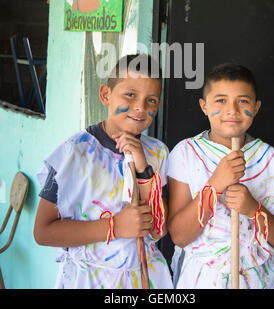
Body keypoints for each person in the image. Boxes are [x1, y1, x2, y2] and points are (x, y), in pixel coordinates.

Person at [34, 54, 173, 289]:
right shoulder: (74, 154)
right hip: (87, 279)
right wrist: (115, 227)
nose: (140, 107)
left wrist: (142, 168)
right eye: (130, 95)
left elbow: (160, 228)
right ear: (106, 95)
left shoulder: (157, 153)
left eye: (151, 100)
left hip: (143, 278)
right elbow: (43, 231)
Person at [167, 63, 274, 289]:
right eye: (221, 100)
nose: (232, 110)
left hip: (262, 278)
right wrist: (215, 185)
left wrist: (253, 210)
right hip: (203, 279)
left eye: (243, 101)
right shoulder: (186, 153)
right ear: (204, 106)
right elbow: (179, 236)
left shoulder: (269, 159)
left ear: (256, 107)